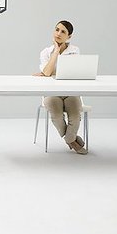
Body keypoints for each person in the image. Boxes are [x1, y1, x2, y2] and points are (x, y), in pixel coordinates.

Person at [33, 20, 87, 154]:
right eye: (57, 29)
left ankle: (70, 140)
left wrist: (49, 73)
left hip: (70, 92)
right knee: (56, 116)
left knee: (75, 116)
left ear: (69, 36)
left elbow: (70, 72)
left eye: (63, 31)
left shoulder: (75, 51)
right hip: (52, 93)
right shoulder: (46, 52)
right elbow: (47, 72)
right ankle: (73, 141)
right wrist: (56, 52)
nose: (58, 33)